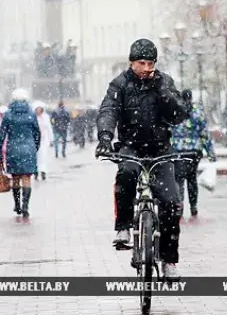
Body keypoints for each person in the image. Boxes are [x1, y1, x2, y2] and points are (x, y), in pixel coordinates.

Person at [95, 38, 190, 280]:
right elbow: (108, 110)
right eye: (142, 63)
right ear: (132, 63)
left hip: (160, 148)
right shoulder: (120, 84)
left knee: (170, 202)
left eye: (151, 63)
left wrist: (162, 91)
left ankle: (169, 261)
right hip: (131, 146)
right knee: (126, 173)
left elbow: (178, 115)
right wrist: (105, 137)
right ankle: (124, 228)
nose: (147, 68)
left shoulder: (164, 82)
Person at [171, 89, 216, 217]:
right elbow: (204, 134)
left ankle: (179, 205)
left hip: (177, 151)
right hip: (194, 152)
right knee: (192, 179)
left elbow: (168, 131)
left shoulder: (175, 112)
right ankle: (193, 206)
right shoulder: (197, 113)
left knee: (178, 179)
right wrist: (210, 153)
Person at [0, 89, 41, 217]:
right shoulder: (31, 114)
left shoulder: (8, 115)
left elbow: (1, 136)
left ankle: (17, 204)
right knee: (26, 178)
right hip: (28, 149)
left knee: (15, 177)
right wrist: (34, 147)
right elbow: (37, 133)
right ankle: (26, 206)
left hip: (13, 149)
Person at [33, 101, 54, 181]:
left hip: (43, 140)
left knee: (43, 157)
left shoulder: (46, 117)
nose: (38, 110)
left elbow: (49, 128)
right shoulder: (32, 117)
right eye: (37, 109)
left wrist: (51, 139)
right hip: (34, 140)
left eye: (40, 109)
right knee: (35, 157)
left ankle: (43, 172)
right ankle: (35, 172)